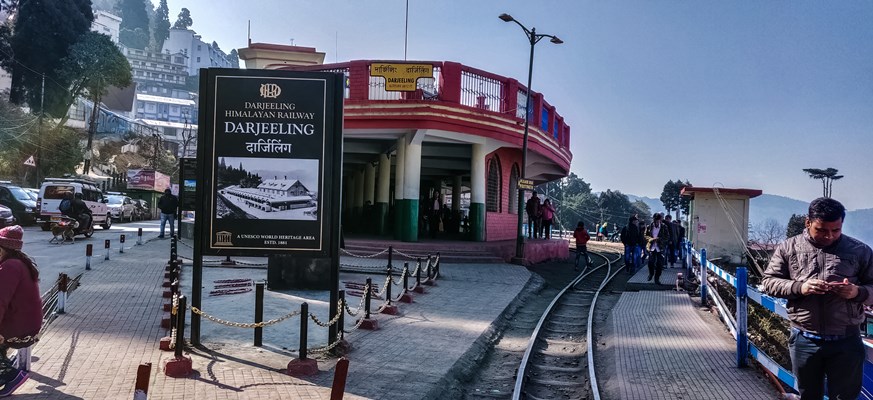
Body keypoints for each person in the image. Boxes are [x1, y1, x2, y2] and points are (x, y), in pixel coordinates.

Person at [761, 197, 873, 400]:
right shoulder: (789, 248)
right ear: (808, 223)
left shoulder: (860, 251)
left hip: (847, 341)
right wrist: (800, 287)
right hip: (804, 340)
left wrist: (857, 292)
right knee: (808, 396)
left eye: (836, 230)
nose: (829, 236)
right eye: (821, 230)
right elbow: (769, 282)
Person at [0, 225, 42, 396]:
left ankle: (12, 375)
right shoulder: (19, 263)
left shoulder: (10, 267)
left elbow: (0, 300)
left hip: (19, 326)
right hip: (25, 323)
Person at [643, 213, 671, 285]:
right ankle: (651, 274)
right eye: (655, 221)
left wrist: (659, 239)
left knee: (660, 264)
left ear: (660, 220)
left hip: (660, 248)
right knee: (650, 262)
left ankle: (657, 278)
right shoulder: (649, 227)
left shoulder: (664, 227)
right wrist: (651, 239)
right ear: (653, 220)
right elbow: (645, 235)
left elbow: (667, 237)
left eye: (658, 221)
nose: (657, 222)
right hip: (651, 247)